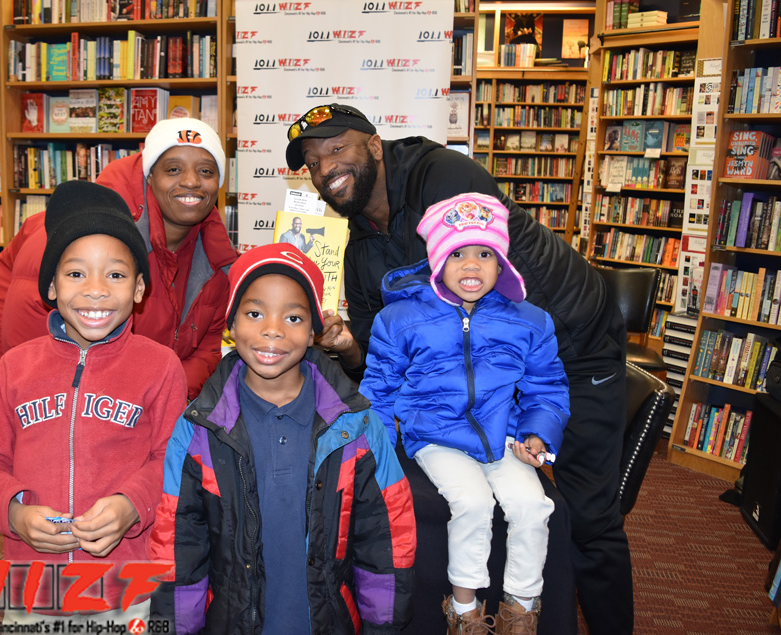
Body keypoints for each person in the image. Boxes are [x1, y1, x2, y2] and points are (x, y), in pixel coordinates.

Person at [285, 103, 632, 634]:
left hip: (569, 351)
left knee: (584, 516)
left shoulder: (443, 177)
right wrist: (347, 345)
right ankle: (476, 611)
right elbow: (389, 353)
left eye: (337, 148)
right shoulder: (358, 243)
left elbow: (485, 303)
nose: (324, 166)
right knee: (474, 501)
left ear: (375, 145)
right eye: (311, 161)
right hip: (483, 384)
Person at [146, 243, 417, 634]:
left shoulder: (358, 426)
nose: (272, 329)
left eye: (292, 317)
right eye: (255, 313)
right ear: (232, 325)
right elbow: (178, 543)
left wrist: (384, 625)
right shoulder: (197, 430)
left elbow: (386, 536)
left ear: (313, 333)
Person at [0, 180, 187, 622]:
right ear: (50, 287)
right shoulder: (14, 366)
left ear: (140, 289)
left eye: (116, 275)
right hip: (31, 585)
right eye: (76, 273)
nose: (96, 290)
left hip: (125, 585)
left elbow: (172, 460)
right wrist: (15, 513)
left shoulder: (161, 367)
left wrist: (130, 505)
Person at [360, 194, 570, 634]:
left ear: (502, 264)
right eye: (457, 253)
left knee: (534, 505)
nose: (471, 265)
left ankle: (521, 608)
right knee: (472, 503)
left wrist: (538, 434)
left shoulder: (530, 321)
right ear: (437, 261)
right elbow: (377, 390)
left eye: (484, 254)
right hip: (435, 436)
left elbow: (546, 388)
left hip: (503, 436)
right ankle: (464, 610)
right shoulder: (400, 319)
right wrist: (375, 452)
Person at [0, 117, 237, 408]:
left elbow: (208, 343)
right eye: (173, 169)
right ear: (150, 176)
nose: (192, 181)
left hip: (130, 401)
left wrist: (166, 394)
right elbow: (31, 352)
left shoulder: (215, 256)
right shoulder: (73, 234)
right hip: (26, 396)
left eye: (206, 171)